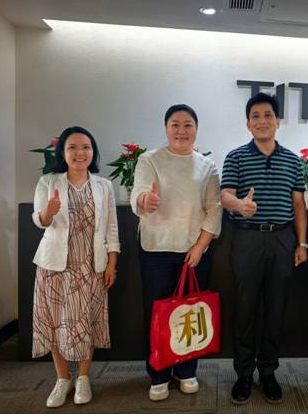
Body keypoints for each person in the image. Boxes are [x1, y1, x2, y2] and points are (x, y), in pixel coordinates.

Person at [220, 92, 308, 405]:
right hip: (246, 239)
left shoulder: (293, 160)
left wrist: (302, 243)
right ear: (248, 124)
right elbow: (225, 195)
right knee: (245, 309)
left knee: (276, 308)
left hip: (283, 239)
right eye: (255, 116)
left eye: (268, 115)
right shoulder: (236, 157)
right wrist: (239, 205)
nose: (262, 121)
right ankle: (244, 373)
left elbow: (299, 204)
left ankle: (268, 372)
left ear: (278, 121)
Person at [131, 104, 222, 401]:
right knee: (158, 314)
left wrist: (200, 247)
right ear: (166, 127)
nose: (181, 130)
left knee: (190, 312)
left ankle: (186, 370)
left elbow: (214, 209)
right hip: (156, 249)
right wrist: (145, 200)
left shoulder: (207, 166)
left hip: (193, 252)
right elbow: (139, 193)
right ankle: (158, 373)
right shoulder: (149, 160)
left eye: (187, 125)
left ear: (196, 129)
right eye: (175, 124)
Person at [32, 126, 120, 408]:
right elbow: (40, 220)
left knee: (86, 323)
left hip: (90, 266)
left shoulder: (103, 186)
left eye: (86, 147)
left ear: (93, 152)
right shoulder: (48, 181)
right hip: (54, 266)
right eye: (72, 147)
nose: (80, 153)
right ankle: (62, 378)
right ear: (63, 152)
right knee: (54, 323)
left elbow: (111, 229)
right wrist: (48, 212)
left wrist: (112, 264)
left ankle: (83, 377)